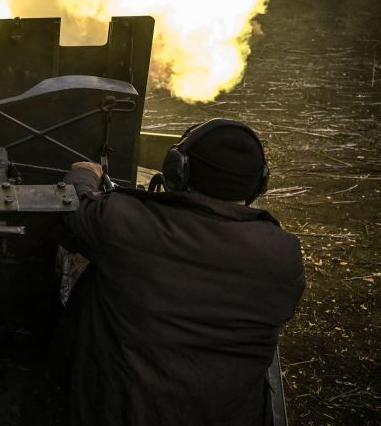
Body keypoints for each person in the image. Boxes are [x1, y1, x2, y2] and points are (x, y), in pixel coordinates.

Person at [53, 118, 305, 426]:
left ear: (177, 169)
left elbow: (73, 211)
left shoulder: (129, 224)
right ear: (259, 184)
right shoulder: (284, 253)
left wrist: (84, 174)